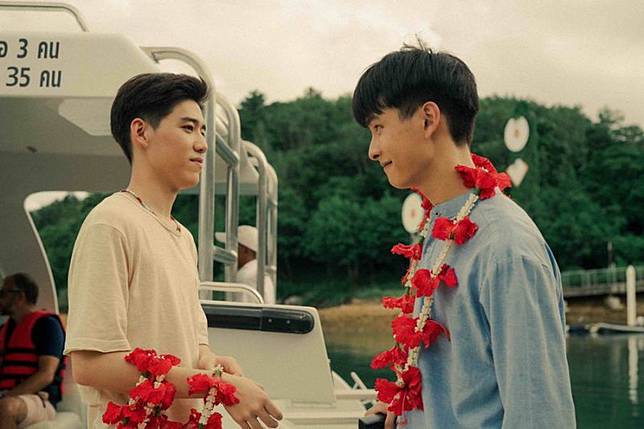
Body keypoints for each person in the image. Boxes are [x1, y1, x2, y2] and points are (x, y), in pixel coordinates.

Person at [353, 43, 576, 428]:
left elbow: (539, 415)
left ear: (427, 119)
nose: (373, 150)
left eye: (378, 128)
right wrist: (406, 407)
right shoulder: (439, 228)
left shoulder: (507, 249)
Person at [64, 73, 283, 428]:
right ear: (141, 132)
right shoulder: (111, 223)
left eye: (202, 131)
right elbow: (91, 365)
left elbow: (194, 346)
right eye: (188, 128)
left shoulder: (183, 237)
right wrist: (218, 386)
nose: (202, 144)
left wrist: (212, 364)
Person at [0, 273, 65, 428]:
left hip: (40, 399)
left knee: (6, 407)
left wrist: (7, 396)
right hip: (7, 395)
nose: (0, 298)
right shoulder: (3, 330)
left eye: (3, 293)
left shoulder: (48, 325)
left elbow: (46, 374)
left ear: (20, 297)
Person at [215, 225, 276, 304]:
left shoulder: (246, 278)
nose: (228, 251)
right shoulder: (258, 272)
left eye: (231, 247)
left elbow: (243, 310)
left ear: (246, 250)